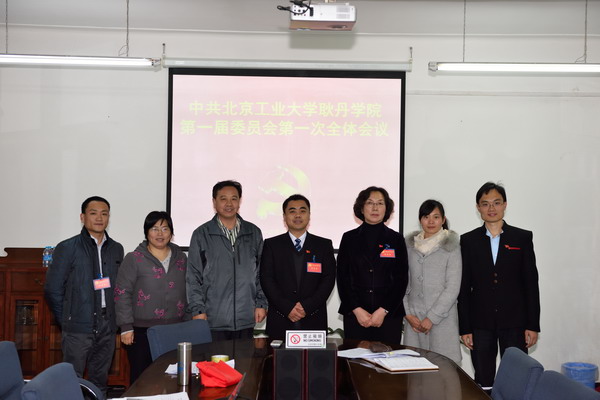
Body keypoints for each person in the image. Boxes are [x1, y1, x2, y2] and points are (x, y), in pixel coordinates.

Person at [458, 182, 540, 392]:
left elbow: (531, 284)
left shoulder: (522, 238)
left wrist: (532, 325)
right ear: (478, 207)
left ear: (505, 205)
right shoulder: (468, 240)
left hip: (515, 322)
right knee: (483, 379)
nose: (491, 208)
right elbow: (464, 287)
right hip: (480, 323)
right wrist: (465, 328)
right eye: (485, 204)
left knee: (517, 378)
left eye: (496, 203)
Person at [45, 196, 124, 398]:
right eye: (93, 213)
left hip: (107, 326)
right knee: (72, 382)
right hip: (78, 327)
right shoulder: (67, 247)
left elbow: (118, 288)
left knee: (100, 381)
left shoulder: (116, 249)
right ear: (82, 217)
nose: (99, 218)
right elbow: (53, 289)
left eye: (104, 214)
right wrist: (67, 319)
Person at [186, 180, 268, 341]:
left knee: (244, 358)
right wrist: (198, 309)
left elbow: (262, 273)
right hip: (212, 318)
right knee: (215, 358)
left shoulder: (253, 232)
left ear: (239, 201)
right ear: (214, 202)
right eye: (223, 198)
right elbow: (193, 277)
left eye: (234, 198)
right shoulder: (201, 234)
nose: (229, 204)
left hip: (246, 316)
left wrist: (261, 304)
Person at [114, 211, 188, 384]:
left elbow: (189, 289)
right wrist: (126, 327)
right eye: (154, 229)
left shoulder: (181, 258)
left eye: (165, 228)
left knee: (172, 380)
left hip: (175, 329)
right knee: (143, 380)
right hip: (142, 332)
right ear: (146, 232)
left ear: (171, 232)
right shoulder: (134, 258)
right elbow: (122, 292)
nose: (160, 233)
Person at [336, 186, 409, 344]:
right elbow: (343, 278)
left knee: (388, 359)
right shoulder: (349, 238)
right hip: (356, 316)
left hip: (388, 316)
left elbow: (401, 279)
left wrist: (383, 310)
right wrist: (357, 309)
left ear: (386, 209)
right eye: (370, 203)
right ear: (362, 208)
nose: (375, 208)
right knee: (355, 358)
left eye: (380, 203)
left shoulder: (396, 239)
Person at [260, 194, 336, 339]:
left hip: (313, 318)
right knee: (277, 354)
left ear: (309, 215)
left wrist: (307, 306)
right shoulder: (272, 245)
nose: (298, 215)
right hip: (280, 318)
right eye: (292, 211)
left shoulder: (323, 245)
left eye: (302, 210)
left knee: (313, 355)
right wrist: (287, 307)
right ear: (284, 216)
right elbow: (267, 279)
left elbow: (328, 279)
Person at [403, 199, 462, 363]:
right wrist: (408, 313)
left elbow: (452, 287)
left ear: (443, 220)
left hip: (442, 320)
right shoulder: (408, 247)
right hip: (414, 321)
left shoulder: (452, 247)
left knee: (444, 371)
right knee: (413, 370)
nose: (431, 221)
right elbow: (402, 283)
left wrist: (432, 318)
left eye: (436, 217)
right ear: (420, 219)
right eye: (426, 217)